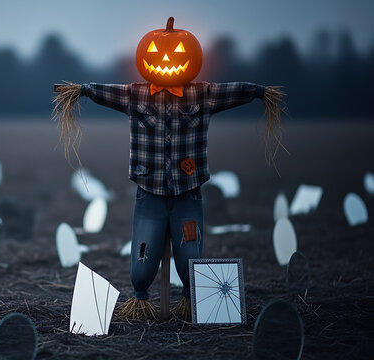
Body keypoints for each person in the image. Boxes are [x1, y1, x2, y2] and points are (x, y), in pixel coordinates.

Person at [53, 17, 284, 321]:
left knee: (190, 253)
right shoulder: (135, 95)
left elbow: (233, 91)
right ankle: (140, 298)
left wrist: (258, 92)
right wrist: (81, 90)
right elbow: (105, 92)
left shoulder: (202, 94)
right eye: (156, 50)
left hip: (188, 194)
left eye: (175, 51)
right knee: (144, 255)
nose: (165, 58)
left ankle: (194, 302)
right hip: (149, 194)